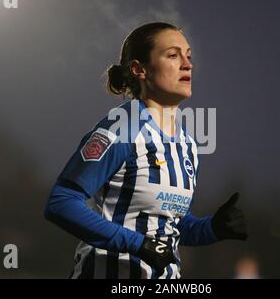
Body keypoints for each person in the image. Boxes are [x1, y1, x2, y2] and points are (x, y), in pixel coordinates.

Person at [44, 22, 248, 279]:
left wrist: (212, 228)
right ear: (139, 69)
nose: (187, 64)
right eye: (173, 55)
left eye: (188, 55)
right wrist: (137, 244)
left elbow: (168, 225)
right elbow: (61, 202)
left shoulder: (188, 145)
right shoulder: (121, 129)